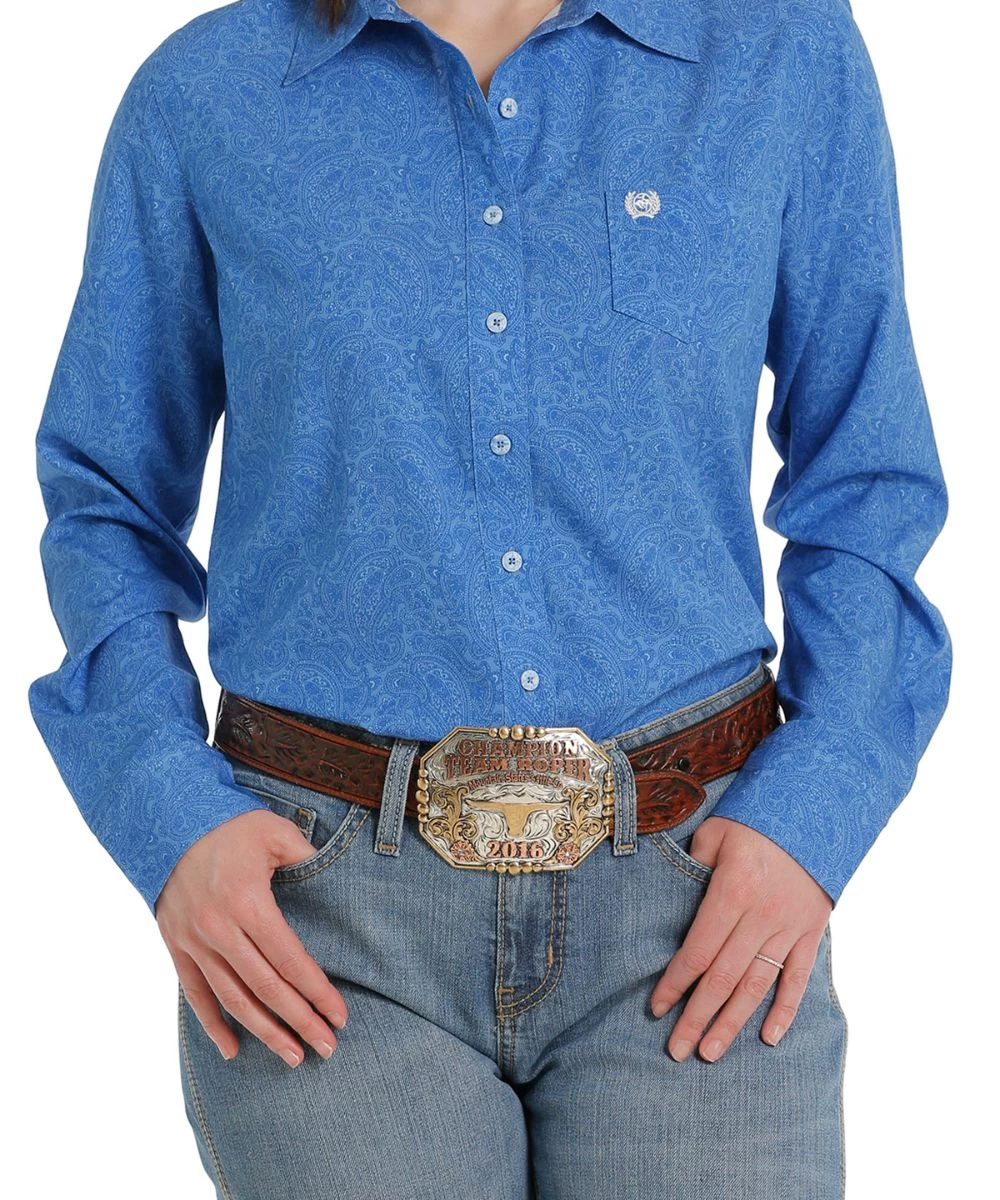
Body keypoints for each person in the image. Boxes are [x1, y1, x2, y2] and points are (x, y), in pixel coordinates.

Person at [27, 0, 951, 1196]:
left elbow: (868, 478)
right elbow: (104, 497)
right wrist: (168, 814)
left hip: (699, 903)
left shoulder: (779, 52)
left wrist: (814, 810)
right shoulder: (206, 94)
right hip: (324, 919)